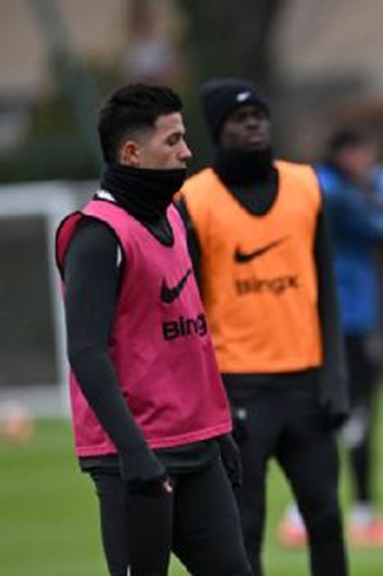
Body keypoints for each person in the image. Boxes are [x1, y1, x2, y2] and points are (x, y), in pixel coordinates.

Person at [54, 83, 251, 576]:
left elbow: (192, 336)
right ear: (132, 154)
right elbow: (85, 353)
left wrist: (219, 428)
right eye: (174, 141)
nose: (187, 152)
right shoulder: (97, 237)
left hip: (196, 444)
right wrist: (134, 456)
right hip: (135, 459)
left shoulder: (173, 217)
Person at [176, 78, 349, 576]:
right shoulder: (194, 199)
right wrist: (208, 396)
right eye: (238, 118)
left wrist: (335, 380)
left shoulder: (305, 185)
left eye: (259, 115)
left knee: (326, 516)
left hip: (307, 384)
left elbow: (327, 291)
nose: (252, 124)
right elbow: (189, 310)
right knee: (244, 524)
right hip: (238, 388)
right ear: (216, 129)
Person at [277, 128, 383, 548]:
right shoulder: (331, 189)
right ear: (352, 153)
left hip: (337, 315)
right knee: (351, 413)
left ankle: (321, 514)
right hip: (344, 319)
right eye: (365, 154)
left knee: (341, 413)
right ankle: (348, 515)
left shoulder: (334, 187)